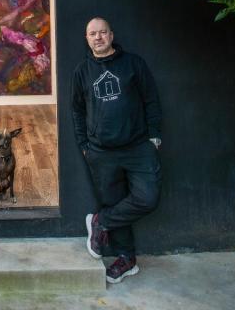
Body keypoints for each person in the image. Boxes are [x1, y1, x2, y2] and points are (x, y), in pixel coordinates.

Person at [71, 16, 163, 284]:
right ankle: (126, 259)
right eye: (92, 34)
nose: (98, 37)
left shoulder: (133, 64)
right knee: (113, 200)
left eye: (102, 32)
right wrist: (84, 146)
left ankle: (101, 222)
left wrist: (154, 137)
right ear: (87, 39)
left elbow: (151, 100)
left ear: (111, 35)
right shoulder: (82, 71)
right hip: (100, 152)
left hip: (138, 147)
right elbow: (76, 110)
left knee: (148, 198)